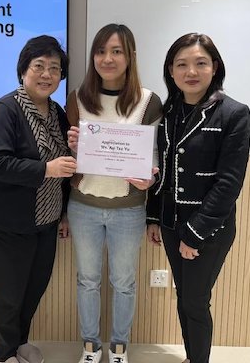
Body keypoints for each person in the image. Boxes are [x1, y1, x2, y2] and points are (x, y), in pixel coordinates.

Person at [146, 33, 250, 363]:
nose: (191, 71)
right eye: (181, 64)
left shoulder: (233, 113)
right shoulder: (167, 113)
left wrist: (194, 234)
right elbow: (162, 170)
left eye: (200, 63)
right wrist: (154, 217)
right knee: (185, 297)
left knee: (194, 300)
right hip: (170, 223)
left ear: (214, 67)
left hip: (207, 230)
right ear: (171, 71)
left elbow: (229, 184)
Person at [0, 35, 77, 363]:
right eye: (39, 66)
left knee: (33, 286)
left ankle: (19, 342)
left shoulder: (58, 113)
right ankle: (2, 354)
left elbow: (66, 164)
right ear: (23, 70)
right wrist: (46, 169)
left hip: (45, 218)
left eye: (55, 68)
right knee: (8, 292)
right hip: (5, 218)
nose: (47, 74)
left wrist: (63, 212)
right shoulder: (5, 110)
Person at [66, 23, 162, 363]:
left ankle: (119, 347)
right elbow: (68, 159)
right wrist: (73, 146)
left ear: (130, 56)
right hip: (83, 206)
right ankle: (90, 346)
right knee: (87, 280)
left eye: (116, 51)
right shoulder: (77, 98)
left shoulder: (148, 101)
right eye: (101, 51)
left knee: (124, 282)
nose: (107, 58)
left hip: (128, 208)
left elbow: (154, 155)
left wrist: (149, 179)